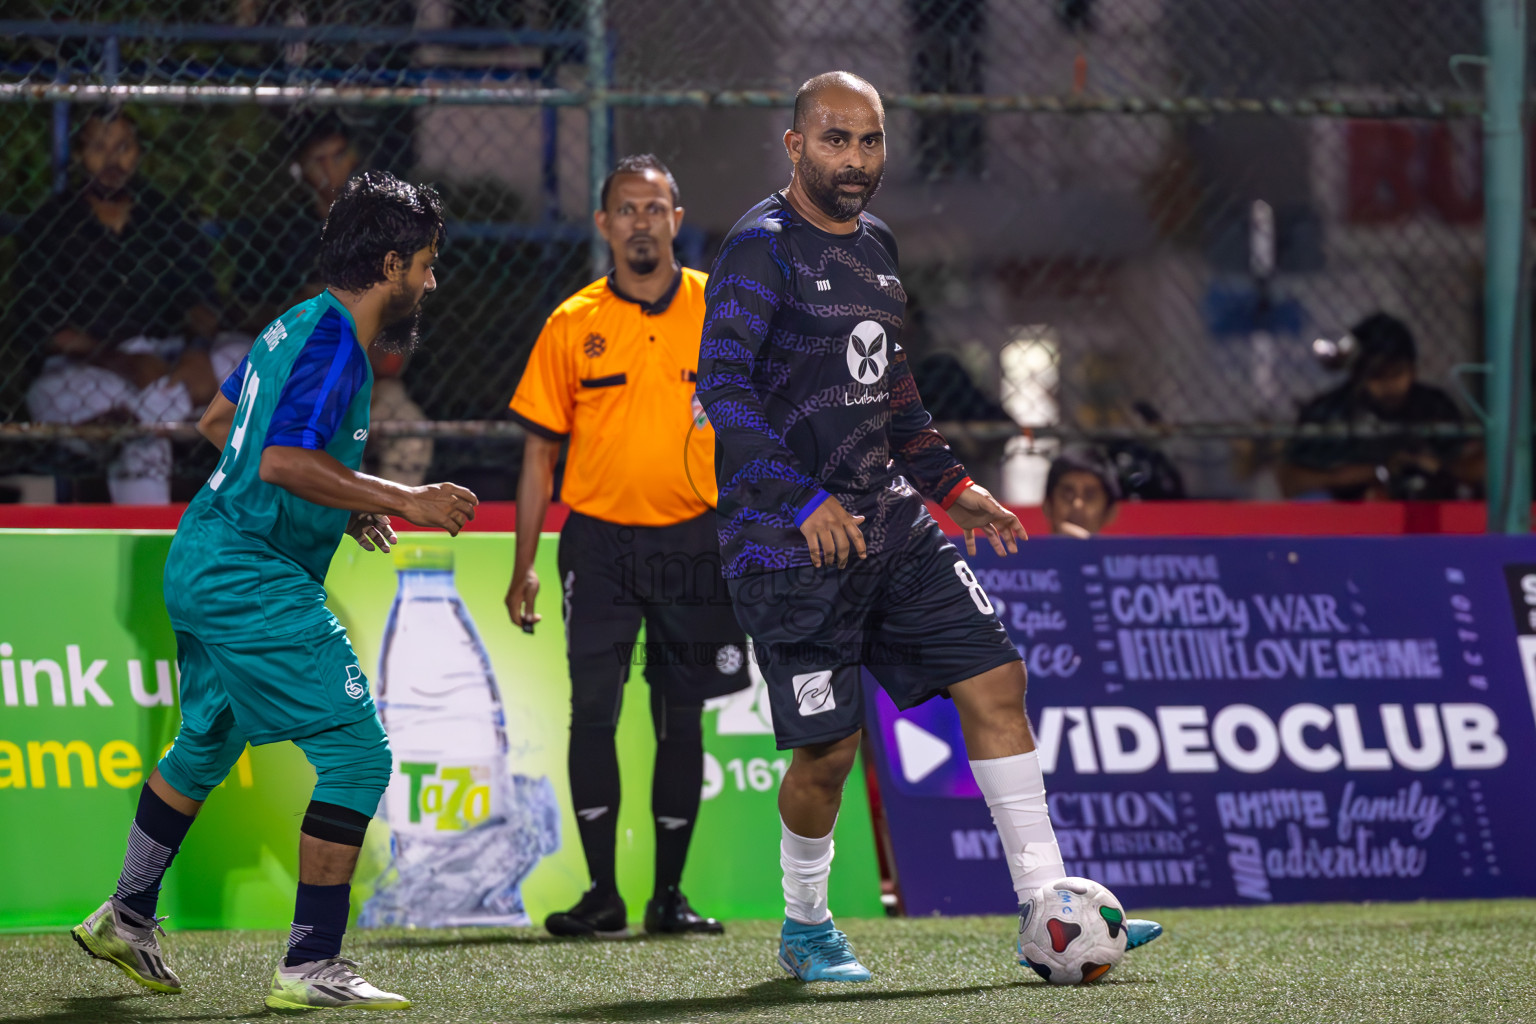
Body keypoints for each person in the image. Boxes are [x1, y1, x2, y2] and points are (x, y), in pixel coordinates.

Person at [696, 71, 1162, 983]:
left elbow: (893, 387)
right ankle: (806, 926)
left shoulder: (876, 244)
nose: (857, 160)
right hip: (788, 544)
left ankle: (1048, 903)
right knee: (827, 756)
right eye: (836, 140)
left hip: (892, 526)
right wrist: (800, 498)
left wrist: (954, 486)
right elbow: (722, 388)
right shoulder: (759, 250)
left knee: (996, 677)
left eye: (870, 141)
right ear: (795, 147)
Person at [71, 171, 480, 1012]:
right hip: (250, 572)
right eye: (427, 266)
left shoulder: (293, 322)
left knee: (206, 742)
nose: (431, 283)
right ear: (394, 263)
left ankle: (127, 915)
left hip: (205, 554)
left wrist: (349, 502)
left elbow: (218, 426)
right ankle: (311, 963)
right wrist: (403, 498)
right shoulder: (338, 342)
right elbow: (282, 460)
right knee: (359, 755)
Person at [504, 154, 747, 938]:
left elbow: (760, 429)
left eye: (656, 207)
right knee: (594, 714)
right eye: (627, 209)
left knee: (682, 719)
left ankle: (667, 900)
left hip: (694, 544)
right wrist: (523, 570)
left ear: (678, 220)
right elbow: (539, 457)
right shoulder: (571, 323)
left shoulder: (722, 308)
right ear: (604, 224)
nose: (642, 221)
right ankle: (602, 896)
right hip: (599, 548)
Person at [14, 107, 224, 503]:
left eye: (123, 146)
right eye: (98, 146)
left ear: (139, 153)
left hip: (166, 362)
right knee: (139, 442)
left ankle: (171, 414)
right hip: (89, 372)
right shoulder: (50, 225)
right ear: (78, 155)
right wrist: (122, 362)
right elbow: (45, 330)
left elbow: (202, 300)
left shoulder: (165, 217)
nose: (112, 159)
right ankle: (153, 426)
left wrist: (197, 352)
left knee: (244, 360)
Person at [233, 113, 433, 485]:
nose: (330, 170)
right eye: (317, 160)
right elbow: (243, 312)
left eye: (338, 156)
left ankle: (388, 529)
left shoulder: (386, 232)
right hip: (295, 370)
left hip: (367, 371)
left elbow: (398, 334)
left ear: (355, 157)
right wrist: (303, 305)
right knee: (294, 444)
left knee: (409, 433)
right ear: (299, 168)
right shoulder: (277, 233)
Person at [1280, 312, 1480, 500]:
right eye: (1377, 376)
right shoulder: (1332, 411)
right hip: (1351, 521)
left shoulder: (1433, 405)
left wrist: (1436, 467)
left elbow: (1478, 466)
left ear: (1413, 370)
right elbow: (1290, 480)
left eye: (1398, 373)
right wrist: (1376, 472)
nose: (1389, 386)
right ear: (1357, 375)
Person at [1042, 448, 1120, 537]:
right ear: (1047, 505)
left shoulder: (1127, 551)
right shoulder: (1025, 550)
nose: (1077, 505)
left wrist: (1087, 548)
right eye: (1067, 495)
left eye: (1089, 496)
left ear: (1110, 512)